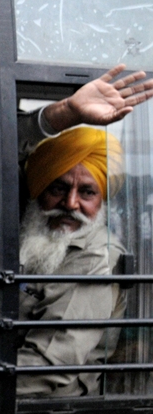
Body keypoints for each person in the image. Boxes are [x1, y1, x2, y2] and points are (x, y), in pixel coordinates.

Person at [16, 127, 126, 396]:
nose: (70, 203)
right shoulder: (37, 235)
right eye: (58, 188)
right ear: (40, 188)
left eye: (87, 193)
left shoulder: (96, 258)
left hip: (45, 413)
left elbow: (49, 366)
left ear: (102, 200)